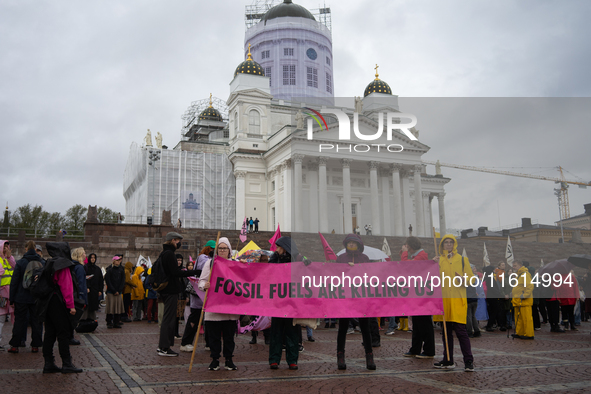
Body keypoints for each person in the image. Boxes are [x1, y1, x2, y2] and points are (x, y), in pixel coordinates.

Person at [38, 242, 83, 373]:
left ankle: (48, 362)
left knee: (50, 333)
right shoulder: (63, 265)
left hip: (49, 301)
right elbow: (66, 287)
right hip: (59, 301)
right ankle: (67, 363)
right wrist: (71, 306)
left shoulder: (50, 262)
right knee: (63, 333)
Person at [433, 234, 475, 372]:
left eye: (451, 242)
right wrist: (432, 265)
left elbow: (472, 279)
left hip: (457, 301)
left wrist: (464, 279)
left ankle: (468, 361)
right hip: (444, 301)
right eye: (446, 242)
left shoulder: (463, 260)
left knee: (461, 332)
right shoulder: (439, 261)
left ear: (455, 244)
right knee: (446, 333)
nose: (449, 244)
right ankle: (448, 359)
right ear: (442, 245)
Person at [335, 233, 376, 371]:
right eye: (349, 243)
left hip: (361, 298)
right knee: (342, 328)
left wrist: (357, 269)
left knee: (365, 328)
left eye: (354, 243)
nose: (351, 245)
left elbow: (370, 275)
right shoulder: (341, 259)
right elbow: (335, 276)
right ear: (346, 244)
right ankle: (340, 356)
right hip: (345, 298)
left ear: (358, 244)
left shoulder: (364, 258)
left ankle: (369, 356)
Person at [157, 232, 201, 357]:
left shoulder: (164, 253)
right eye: (177, 240)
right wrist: (194, 272)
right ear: (172, 240)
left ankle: (165, 346)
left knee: (169, 318)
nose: (179, 243)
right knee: (168, 319)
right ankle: (164, 347)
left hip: (167, 290)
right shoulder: (169, 254)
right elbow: (175, 273)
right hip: (170, 290)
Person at [198, 237, 239, 370]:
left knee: (229, 337)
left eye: (224, 248)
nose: (222, 251)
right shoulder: (210, 263)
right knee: (214, 337)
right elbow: (201, 282)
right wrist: (205, 285)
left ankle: (229, 359)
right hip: (213, 308)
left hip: (229, 310)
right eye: (220, 248)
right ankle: (215, 359)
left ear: (229, 250)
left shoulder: (236, 263)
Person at [268, 236, 304, 370]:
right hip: (278, 301)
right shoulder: (274, 259)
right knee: (276, 332)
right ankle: (274, 359)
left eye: (278, 247)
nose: (276, 249)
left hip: (292, 302)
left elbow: (308, 266)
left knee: (292, 332)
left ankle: (292, 360)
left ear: (285, 248)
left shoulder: (298, 258)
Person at [399, 237, 435, 359]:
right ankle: (415, 348)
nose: (406, 247)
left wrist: (404, 254)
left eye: (407, 245)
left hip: (422, 295)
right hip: (416, 294)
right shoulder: (417, 256)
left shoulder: (421, 256)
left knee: (424, 323)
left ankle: (429, 350)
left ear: (410, 246)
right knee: (417, 323)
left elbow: (406, 267)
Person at [8, 240, 44, 353]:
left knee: (19, 321)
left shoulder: (20, 262)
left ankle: (15, 345)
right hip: (36, 297)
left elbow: (14, 282)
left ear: (26, 249)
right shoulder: (42, 262)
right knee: (36, 322)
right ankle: (35, 345)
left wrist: (12, 299)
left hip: (21, 296)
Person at [510, 260, 534, 339]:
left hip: (524, 300)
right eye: (513, 266)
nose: (514, 267)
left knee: (526, 318)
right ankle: (520, 332)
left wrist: (525, 295)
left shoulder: (525, 274)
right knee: (518, 318)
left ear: (520, 265)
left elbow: (530, 286)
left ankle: (528, 334)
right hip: (517, 300)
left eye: (515, 266)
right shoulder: (519, 275)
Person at [69, 248, 88, 345]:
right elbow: (80, 283)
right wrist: (82, 298)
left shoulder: (72, 265)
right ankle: (70, 337)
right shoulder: (79, 267)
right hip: (77, 296)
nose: (85, 255)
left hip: (72, 295)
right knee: (74, 319)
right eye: (84, 253)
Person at [0, 240, 16, 349]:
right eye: (4, 247)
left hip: (12, 294)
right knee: (1, 318)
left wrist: (9, 258)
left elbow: (16, 268)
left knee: (15, 317)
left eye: (7, 246)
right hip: (2, 294)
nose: (6, 249)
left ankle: (15, 342)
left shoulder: (11, 259)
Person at [104, 255, 125, 329]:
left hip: (118, 292)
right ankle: (109, 322)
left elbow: (123, 281)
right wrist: (113, 290)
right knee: (110, 308)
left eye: (119, 260)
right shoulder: (110, 270)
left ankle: (116, 322)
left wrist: (119, 290)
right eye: (117, 260)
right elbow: (108, 281)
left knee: (117, 308)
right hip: (111, 292)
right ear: (114, 261)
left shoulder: (121, 270)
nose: (118, 262)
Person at [81, 253, 104, 322]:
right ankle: (84, 319)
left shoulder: (97, 269)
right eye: (91, 258)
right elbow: (83, 279)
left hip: (95, 290)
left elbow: (101, 280)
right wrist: (86, 287)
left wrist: (100, 290)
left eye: (94, 258)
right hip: (88, 290)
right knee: (87, 306)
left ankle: (92, 319)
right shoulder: (85, 267)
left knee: (93, 306)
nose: (93, 259)